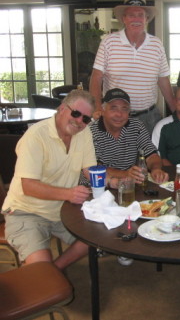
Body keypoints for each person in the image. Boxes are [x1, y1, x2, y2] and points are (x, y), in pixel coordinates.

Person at [1, 90, 99, 270]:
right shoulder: (35, 136)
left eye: (86, 119)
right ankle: (46, 274)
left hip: (63, 210)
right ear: (62, 108)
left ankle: (54, 270)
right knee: (40, 267)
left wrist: (113, 181)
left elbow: (89, 170)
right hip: (26, 211)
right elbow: (28, 186)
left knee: (99, 236)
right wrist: (69, 194)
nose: (79, 121)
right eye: (76, 113)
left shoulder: (84, 133)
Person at [89, 0, 176, 134]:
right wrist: (97, 107)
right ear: (124, 19)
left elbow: (163, 79)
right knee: (116, 156)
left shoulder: (157, 44)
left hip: (149, 117)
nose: (136, 19)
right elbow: (96, 77)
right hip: (115, 117)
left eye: (140, 15)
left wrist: (175, 110)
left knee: (151, 155)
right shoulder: (108, 42)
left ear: (146, 19)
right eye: (131, 15)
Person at [87, 88, 168, 186]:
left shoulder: (136, 126)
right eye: (113, 108)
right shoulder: (91, 131)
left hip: (128, 187)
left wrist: (156, 169)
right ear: (103, 110)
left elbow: (151, 154)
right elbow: (94, 167)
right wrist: (125, 174)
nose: (119, 114)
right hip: (96, 187)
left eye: (124, 109)